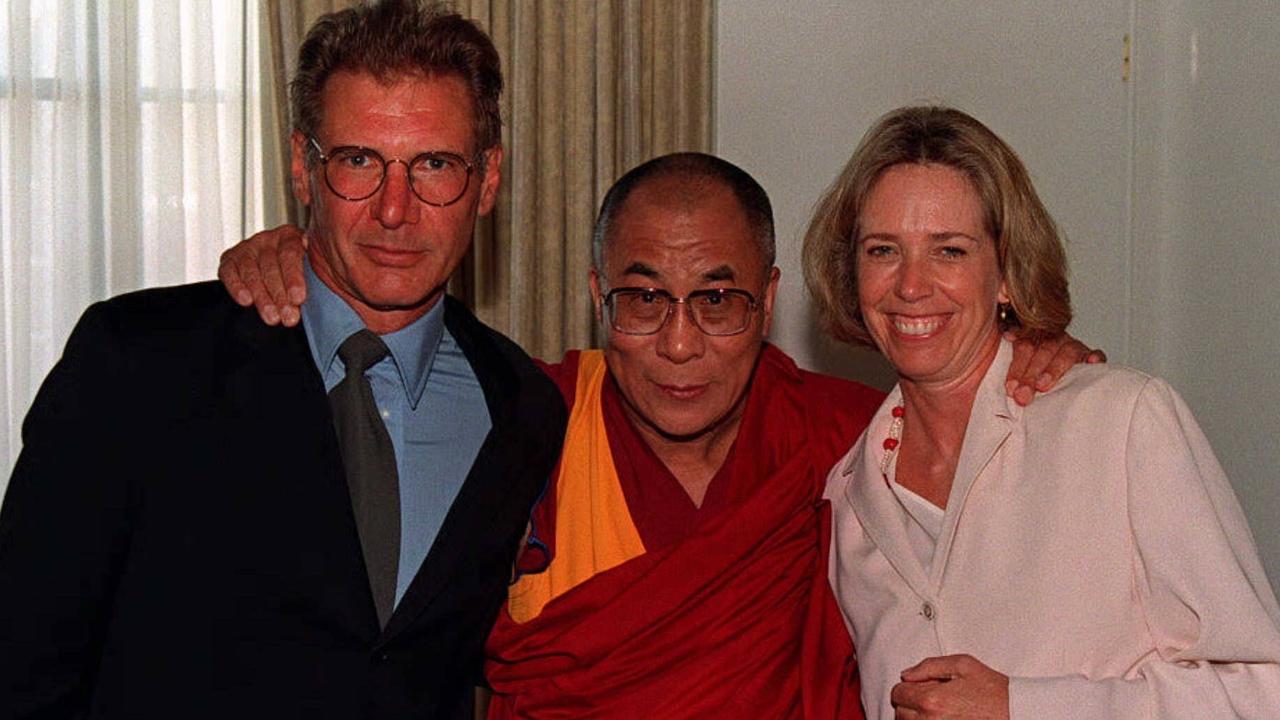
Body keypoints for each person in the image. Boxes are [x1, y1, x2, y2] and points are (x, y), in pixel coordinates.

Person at [219, 151, 1100, 717]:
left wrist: (1038, 359)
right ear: (599, 295)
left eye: (718, 300)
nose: (681, 345)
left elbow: (990, 453)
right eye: (643, 300)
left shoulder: (850, 434)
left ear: (770, 298)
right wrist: (302, 271)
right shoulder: (520, 421)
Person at [0, 3, 565, 719]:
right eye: (359, 161)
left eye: (434, 165)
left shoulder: (522, 406)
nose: (396, 209)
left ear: (487, 182)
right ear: (303, 167)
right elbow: (24, 662)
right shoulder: (139, 363)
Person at [806, 105, 1280, 720]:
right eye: (882, 250)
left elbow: (1263, 694)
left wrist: (1023, 706)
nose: (911, 285)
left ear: (1005, 274)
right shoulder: (847, 494)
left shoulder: (1121, 422)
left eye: (949, 251)